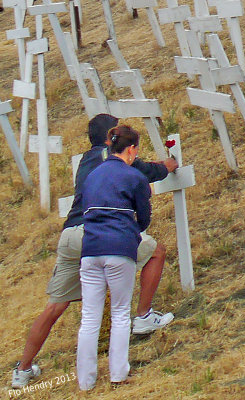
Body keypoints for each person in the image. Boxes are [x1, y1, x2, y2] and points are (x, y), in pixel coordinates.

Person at [11, 114, 178, 389]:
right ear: (109, 138)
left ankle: (24, 368)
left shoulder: (86, 162)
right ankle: (145, 315)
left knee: (56, 305)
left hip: (70, 235)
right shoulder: (109, 156)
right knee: (157, 252)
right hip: (99, 232)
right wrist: (167, 166)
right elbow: (141, 170)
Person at [77, 125, 148, 390]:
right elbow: (144, 216)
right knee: (120, 313)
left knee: (90, 317)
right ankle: (118, 374)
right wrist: (131, 232)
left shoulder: (92, 176)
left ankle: (85, 382)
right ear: (131, 149)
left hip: (90, 249)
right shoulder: (134, 177)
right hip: (119, 248)